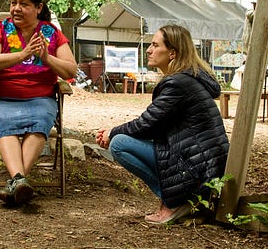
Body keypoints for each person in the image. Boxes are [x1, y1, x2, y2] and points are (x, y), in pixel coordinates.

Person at [97, 24, 229, 225]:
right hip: (204, 166)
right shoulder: (188, 79)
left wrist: (112, 132)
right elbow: (155, 125)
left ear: (172, 53)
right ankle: (179, 200)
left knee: (119, 144)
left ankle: (174, 202)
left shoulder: (179, 84)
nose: (149, 50)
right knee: (122, 139)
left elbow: (146, 124)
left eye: (155, 45)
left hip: (198, 170)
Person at [0, 0, 77, 205]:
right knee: (4, 122)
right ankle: (19, 181)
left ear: (38, 8)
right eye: (13, 3)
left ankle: (16, 182)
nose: (16, 9)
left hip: (41, 98)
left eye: (23, 4)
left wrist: (47, 58)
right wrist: (21, 55)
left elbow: (71, 69)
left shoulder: (51, 33)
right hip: (4, 98)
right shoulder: (1, 29)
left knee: (41, 120)